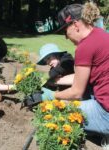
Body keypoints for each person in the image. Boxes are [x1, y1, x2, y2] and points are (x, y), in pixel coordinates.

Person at [39, 2, 109, 149]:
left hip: (106, 113)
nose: (65, 37)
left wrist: (52, 96)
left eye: (65, 31)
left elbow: (77, 92)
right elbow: (82, 77)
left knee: (58, 112)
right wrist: (54, 81)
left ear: (75, 24)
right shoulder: (102, 34)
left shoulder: (85, 46)